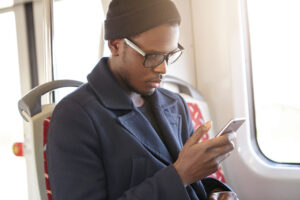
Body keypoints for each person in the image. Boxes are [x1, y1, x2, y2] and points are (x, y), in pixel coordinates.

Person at [46, 0, 238, 199]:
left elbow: (192, 180)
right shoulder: (74, 117)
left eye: (169, 55)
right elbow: (183, 174)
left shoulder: (175, 104)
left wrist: (216, 192)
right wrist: (180, 175)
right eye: (153, 56)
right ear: (116, 46)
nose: (163, 69)